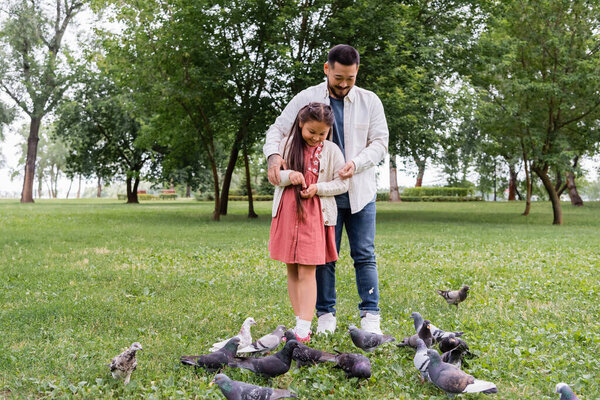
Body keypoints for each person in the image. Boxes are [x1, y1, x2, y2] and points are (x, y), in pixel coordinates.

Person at [264, 44, 389, 335]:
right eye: (338, 78)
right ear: (326, 69)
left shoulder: (370, 101)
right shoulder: (306, 98)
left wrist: (355, 164)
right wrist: (273, 156)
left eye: (351, 78)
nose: (344, 84)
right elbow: (277, 130)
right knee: (320, 257)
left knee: (364, 253)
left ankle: (370, 314)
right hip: (317, 199)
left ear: (357, 72)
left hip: (358, 189)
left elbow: (380, 143)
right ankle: (325, 314)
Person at [269, 102, 349, 342]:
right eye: (311, 132)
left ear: (329, 131)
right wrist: (288, 176)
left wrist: (318, 188)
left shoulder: (333, 151)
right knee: (291, 268)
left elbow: (343, 183)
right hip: (288, 213)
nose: (316, 137)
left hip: (315, 214)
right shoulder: (285, 145)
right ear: (300, 124)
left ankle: (303, 328)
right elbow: (274, 177)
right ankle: (299, 322)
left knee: (307, 269)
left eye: (321, 133)